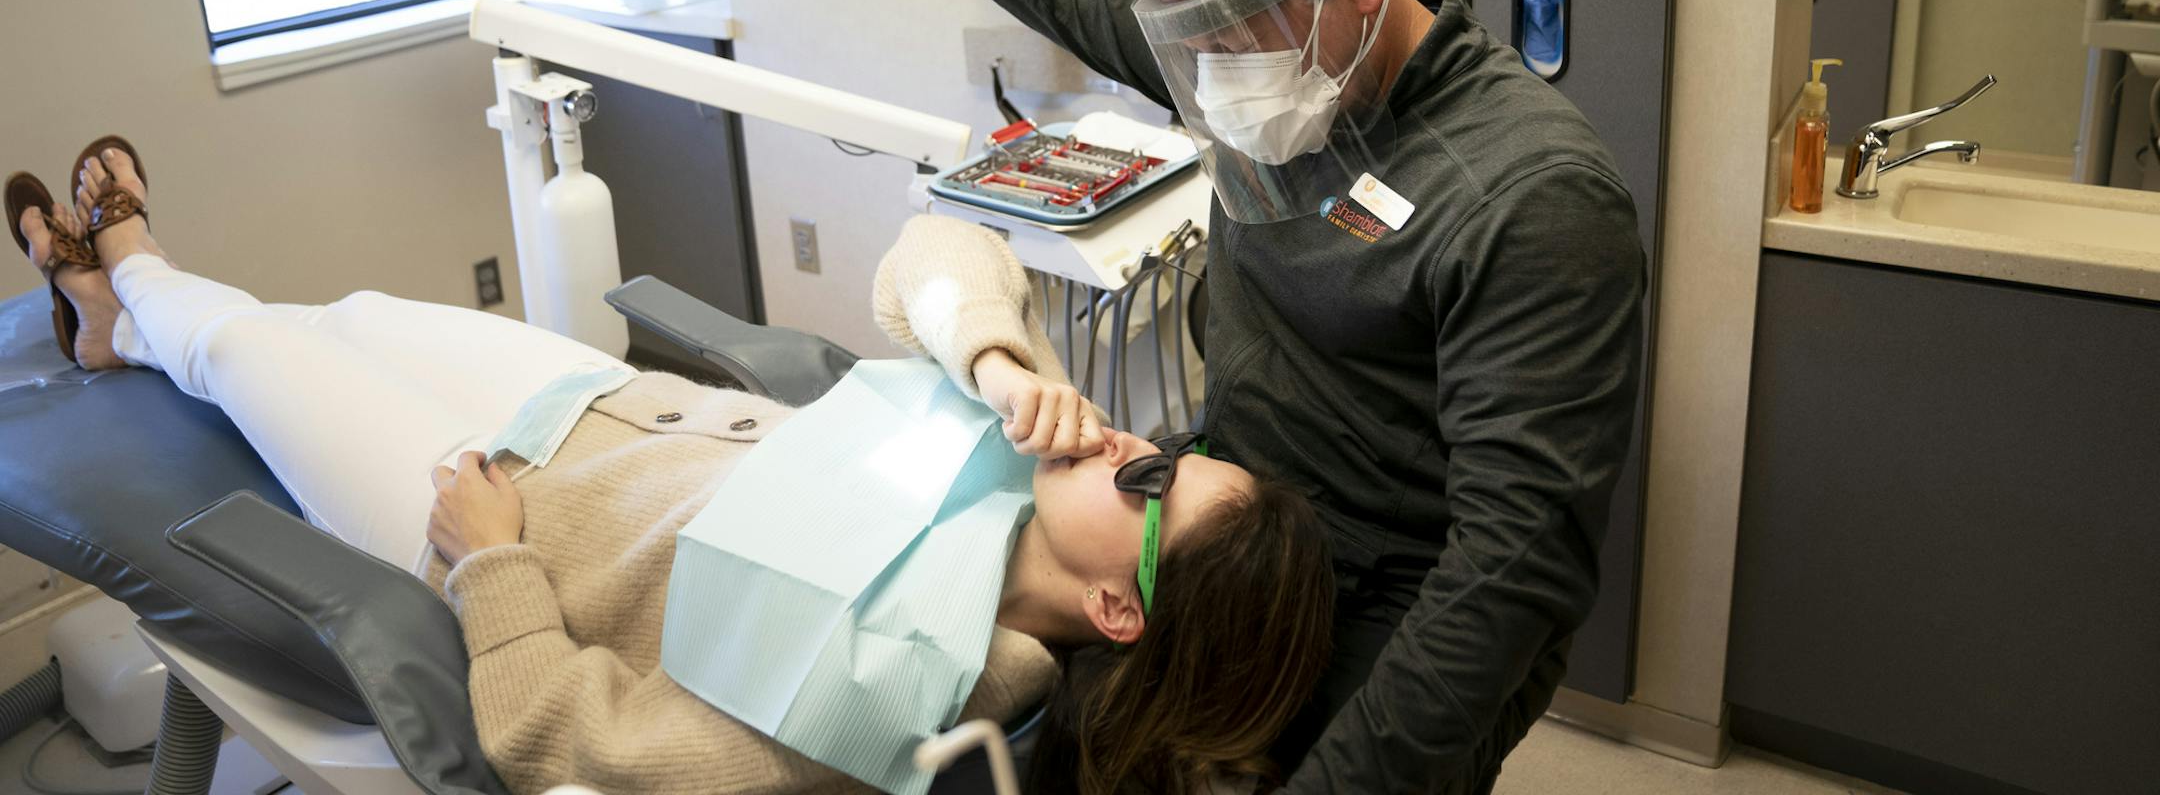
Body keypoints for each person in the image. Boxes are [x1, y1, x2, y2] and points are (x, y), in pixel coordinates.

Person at [841, 0, 1648, 794]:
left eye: (1231, 50)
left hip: (1401, 610)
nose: (1213, 89)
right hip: (1238, 538)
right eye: (1191, 57)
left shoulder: (1534, 195)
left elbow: (1512, 569)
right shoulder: (1258, 65)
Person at [14, 146, 1336, 795]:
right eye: (1176, 453)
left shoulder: (909, 692)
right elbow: (934, 251)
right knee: (347, 312)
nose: (1135, 449)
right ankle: (122, 327)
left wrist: (495, 561)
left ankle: (128, 266)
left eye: (1156, 491)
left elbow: (567, 737)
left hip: (488, 496)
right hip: (587, 398)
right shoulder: (1030, 438)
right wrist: (994, 361)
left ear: (1120, 609)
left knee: (246, 345)